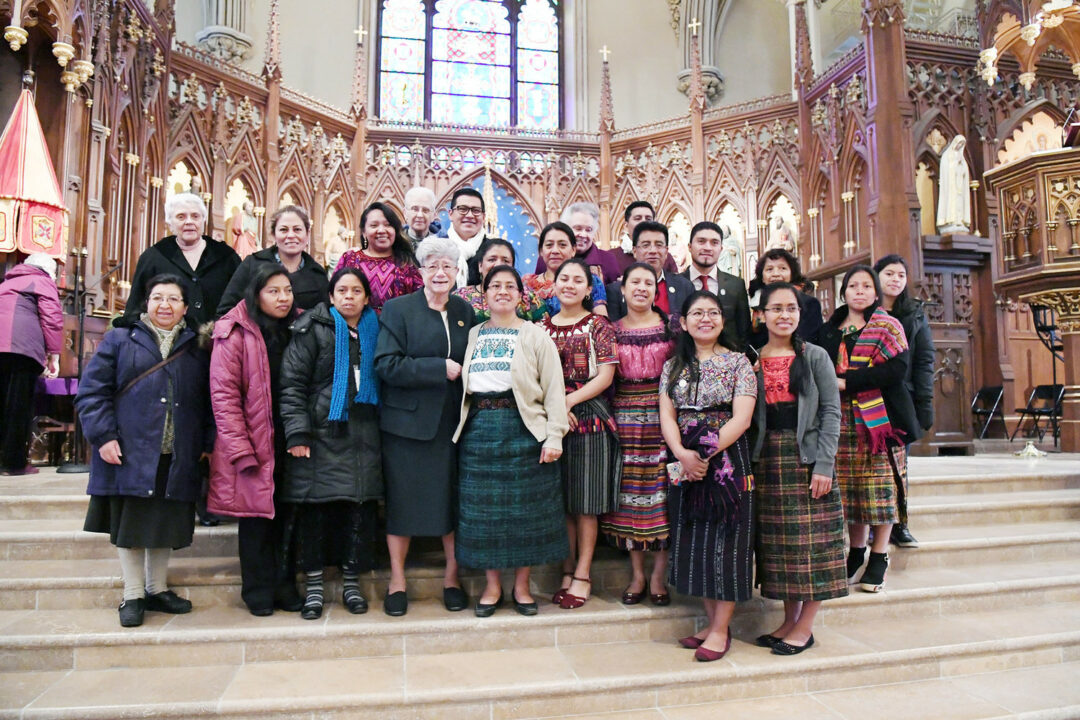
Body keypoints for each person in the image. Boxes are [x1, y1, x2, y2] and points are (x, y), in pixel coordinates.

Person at [77, 274, 213, 627]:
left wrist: (207, 444)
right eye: (157, 298)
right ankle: (133, 594)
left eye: (172, 299)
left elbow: (209, 401)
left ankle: (157, 588)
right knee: (131, 524)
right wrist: (104, 437)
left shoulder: (197, 347)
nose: (164, 305)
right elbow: (92, 393)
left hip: (177, 451)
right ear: (146, 302)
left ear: (185, 307)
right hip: (130, 450)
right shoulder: (120, 338)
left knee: (164, 523)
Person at [454, 265, 570, 617]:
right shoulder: (473, 334)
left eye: (510, 286)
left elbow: (554, 388)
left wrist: (555, 436)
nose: (502, 291)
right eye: (495, 286)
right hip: (479, 429)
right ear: (484, 295)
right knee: (484, 515)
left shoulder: (535, 335)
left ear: (521, 295)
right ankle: (492, 587)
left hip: (525, 428)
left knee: (526, 514)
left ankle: (521, 587)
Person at [375, 237, 476, 616]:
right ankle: (397, 580)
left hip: (453, 424)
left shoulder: (465, 310)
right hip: (407, 426)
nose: (440, 273)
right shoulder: (399, 310)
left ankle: (452, 577)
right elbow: (386, 365)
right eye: (432, 266)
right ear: (420, 272)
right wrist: (438, 368)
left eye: (447, 266)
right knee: (402, 503)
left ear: (456, 272)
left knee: (450, 502)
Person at [279, 267, 384, 620]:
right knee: (316, 510)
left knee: (359, 512)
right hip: (322, 434)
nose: (350, 297)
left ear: (367, 297)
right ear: (331, 296)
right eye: (343, 290)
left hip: (365, 434)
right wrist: (297, 433)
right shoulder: (312, 329)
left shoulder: (377, 330)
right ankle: (313, 587)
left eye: (357, 291)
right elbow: (292, 384)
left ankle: (351, 583)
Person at [659, 290, 756, 662]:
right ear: (683, 323)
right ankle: (710, 621)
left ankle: (720, 630)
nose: (705, 318)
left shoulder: (738, 363)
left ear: (722, 320)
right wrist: (684, 455)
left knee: (727, 544)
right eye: (696, 313)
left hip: (727, 459)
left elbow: (742, 418)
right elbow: (667, 416)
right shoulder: (673, 366)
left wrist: (706, 452)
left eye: (712, 312)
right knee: (695, 541)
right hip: (685, 461)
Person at [751, 282, 846, 655]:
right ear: (761, 315)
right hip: (768, 460)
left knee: (813, 547)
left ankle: (805, 627)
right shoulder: (752, 358)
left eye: (791, 308)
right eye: (776, 308)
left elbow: (831, 412)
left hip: (806, 458)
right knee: (781, 548)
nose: (784, 315)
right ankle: (789, 620)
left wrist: (825, 463)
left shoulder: (816, 356)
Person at [815, 265, 918, 593]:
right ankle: (855, 552)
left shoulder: (888, 325)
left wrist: (849, 382)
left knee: (878, 492)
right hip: (839, 421)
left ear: (876, 293)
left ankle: (879, 556)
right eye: (852, 286)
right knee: (851, 492)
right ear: (843, 292)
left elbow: (897, 371)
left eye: (866, 286)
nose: (859, 291)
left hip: (879, 422)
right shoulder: (830, 328)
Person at [207, 266, 303, 616]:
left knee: (288, 515)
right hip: (254, 439)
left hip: (291, 437)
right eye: (273, 291)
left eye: (287, 290)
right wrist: (240, 448)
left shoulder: (301, 327)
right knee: (256, 519)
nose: (283, 298)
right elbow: (224, 395)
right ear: (256, 294)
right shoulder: (235, 332)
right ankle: (258, 589)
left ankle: (285, 583)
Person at [541, 258, 621, 610]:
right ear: (554, 285)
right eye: (564, 279)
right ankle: (567, 569)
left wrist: (567, 402)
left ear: (590, 289)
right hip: (553, 420)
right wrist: (556, 409)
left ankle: (584, 574)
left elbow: (605, 376)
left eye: (578, 280)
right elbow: (535, 377)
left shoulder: (598, 326)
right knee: (562, 504)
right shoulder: (539, 328)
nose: (570, 284)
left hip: (589, 416)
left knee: (585, 504)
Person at [598, 263, 677, 606]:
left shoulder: (672, 329)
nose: (642, 288)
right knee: (628, 495)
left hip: (664, 418)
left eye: (648, 282)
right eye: (635, 282)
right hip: (624, 419)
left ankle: (659, 576)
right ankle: (637, 574)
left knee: (661, 495)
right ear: (623, 289)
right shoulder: (609, 331)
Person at [874, 254, 935, 549]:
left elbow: (924, 362)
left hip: (902, 398)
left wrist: (925, 404)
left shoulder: (915, 313)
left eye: (900, 275)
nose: (895, 279)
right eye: (889, 273)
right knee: (870, 465)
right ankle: (871, 523)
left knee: (899, 465)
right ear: (876, 277)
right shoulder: (862, 310)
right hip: (868, 397)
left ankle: (900, 523)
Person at [123, 193, 241, 326]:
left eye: (195, 216)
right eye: (181, 217)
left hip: (218, 342)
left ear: (203, 220)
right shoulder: (153, 257)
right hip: (167, 343)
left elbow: (242, 304)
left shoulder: (226, 257)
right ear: (169, 224)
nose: (189, 221)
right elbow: (135, 307)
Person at [0, 254, 62, 476]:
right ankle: (13, 464)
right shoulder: (41, 280)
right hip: (21, 350)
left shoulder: (7, 283)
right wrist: (54, 355)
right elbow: (52, 318)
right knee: (18, 407)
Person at [216, 205, 329, 316]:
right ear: (274, 234)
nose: (290, 235)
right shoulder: (252, 264)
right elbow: (226, 311)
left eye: (297, 229)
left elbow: (325, 320)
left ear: (307, 234)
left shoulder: (318, 274)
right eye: (283, 230)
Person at [334, 202, 423, 314]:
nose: (381, 230)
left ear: (395, 230)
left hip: (396, 328)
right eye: (374, 225)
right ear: (364, 232)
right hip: (353, 327)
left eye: (387, 225)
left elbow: (419, 303)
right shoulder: (350, 259)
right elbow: (334, 294)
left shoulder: (407, 263)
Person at [680, 221, 751, 349]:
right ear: (690, 247)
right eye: (701, 241)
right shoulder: (676, 284)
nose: (708, 247)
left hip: (728, 361)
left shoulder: (736, 285)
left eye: (714, 243)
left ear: (721, 249)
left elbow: (744, 332)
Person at [605, 221, 694, 321]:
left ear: (666, 252)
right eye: (646, 245)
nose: (653, 251)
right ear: (634, 251)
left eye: (659, 245)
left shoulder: (684, 286)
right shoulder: (615, 290)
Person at [523, 222, 609, 317]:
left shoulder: (590, 280)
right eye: (549, 245)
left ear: (573, 250)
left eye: (562, 245)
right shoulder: (527, 285)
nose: (555, 251)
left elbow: (602, 319)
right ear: (541, 251)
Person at [452, 239, 547, 322]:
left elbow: (543, 331)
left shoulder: (528, 297)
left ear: (512, 267)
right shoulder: (461, 298)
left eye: (505, 261)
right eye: (492, 260)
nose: (498, 265)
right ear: (480, 266)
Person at [747, 248, 823, 348]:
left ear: (792, 274)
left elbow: (809, 338)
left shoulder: (809, 303)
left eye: (782, 268)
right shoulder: (755, 306)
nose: (776, 274)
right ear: (762, 276)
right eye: (769, 269)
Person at [534, 202, 622, 285]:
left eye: (588, 230)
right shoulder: (548, 258)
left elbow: (614, 294)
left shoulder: (607, 259)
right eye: (578, 228)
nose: (583, 234)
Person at [437, 187, 498, 286]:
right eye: (462, 209)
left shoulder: (493, 251)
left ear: (483, 217)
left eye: (476, 210)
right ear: (450, 214)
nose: (470, 215)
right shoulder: (436, 248)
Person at [613, 201, 679, 275]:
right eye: (638, 218)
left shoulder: (664, 257)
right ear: (626, 226)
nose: (643, 222)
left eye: (648, 219)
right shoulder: (611, 257)